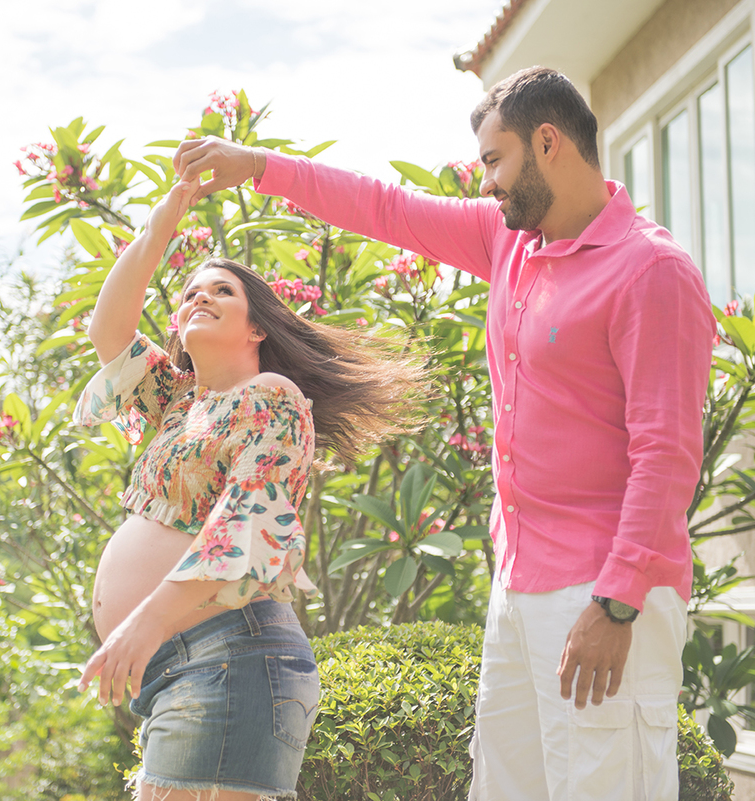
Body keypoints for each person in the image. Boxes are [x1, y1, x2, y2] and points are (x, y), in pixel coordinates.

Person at [174, 66, 716, 801]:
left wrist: (617, 603)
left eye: (496, 161)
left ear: (548, 143)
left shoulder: (651, 270)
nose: (487, 185)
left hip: (605, 592)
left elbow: (667, 453)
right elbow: (386, 207)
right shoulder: (508, 243)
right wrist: (259, 166)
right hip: (518, 583)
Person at [73, 175, 424, 800]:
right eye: (190, 292)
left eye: (222, 290)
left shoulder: (270, 397)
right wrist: (162, 221)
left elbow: (245, 527)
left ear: (257, 328)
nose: (200, 297)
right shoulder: (178, 402)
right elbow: (109, 332)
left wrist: (144, 623)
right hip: (184, 666)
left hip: (228, 657)